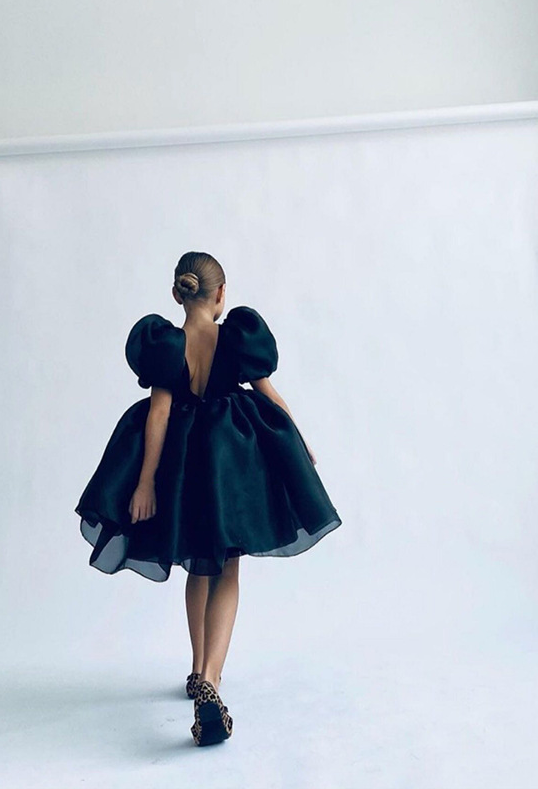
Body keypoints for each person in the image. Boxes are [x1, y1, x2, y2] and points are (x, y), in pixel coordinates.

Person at [74, 250, 342, 746]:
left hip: (182, 469)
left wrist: (146, 482)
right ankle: (212, 681)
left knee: (198, 567)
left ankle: (199, 670)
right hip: (229, 466)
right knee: (228, 570)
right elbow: (268, 395)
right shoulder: (236, 337)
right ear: (220, 294)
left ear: (178, 293)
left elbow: (158, 415)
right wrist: (299, 440)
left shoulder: (166, 344)